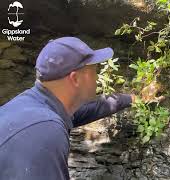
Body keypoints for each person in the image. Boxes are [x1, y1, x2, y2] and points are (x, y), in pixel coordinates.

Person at [0, 37, 158, 180]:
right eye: (94, 70)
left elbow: (89, 109)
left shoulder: (32, 105)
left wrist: (134, 99)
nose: (97, 77)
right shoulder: (44, 131)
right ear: (75, 78)